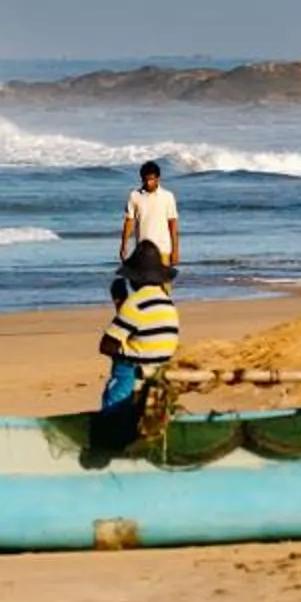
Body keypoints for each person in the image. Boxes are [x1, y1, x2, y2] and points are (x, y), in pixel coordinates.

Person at [97, 242, 181, 414]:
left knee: (112, 408)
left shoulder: (134, 304)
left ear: (134, 278)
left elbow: (106, 346)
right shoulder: (167, 303)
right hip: (161, 370)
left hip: (133, 372)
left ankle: (111, 418)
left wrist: (120, 304)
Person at [121, 160, 179, 282]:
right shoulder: (134, 196)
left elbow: (172, 225)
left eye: (151, 179)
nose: (148, 183)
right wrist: (123, 245)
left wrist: (175, 250)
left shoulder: (167, 197)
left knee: (164, 287)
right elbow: (129, 222)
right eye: (145, 179)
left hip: (163, 249)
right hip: (142, 251)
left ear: (158, 179)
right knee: (144, 287)